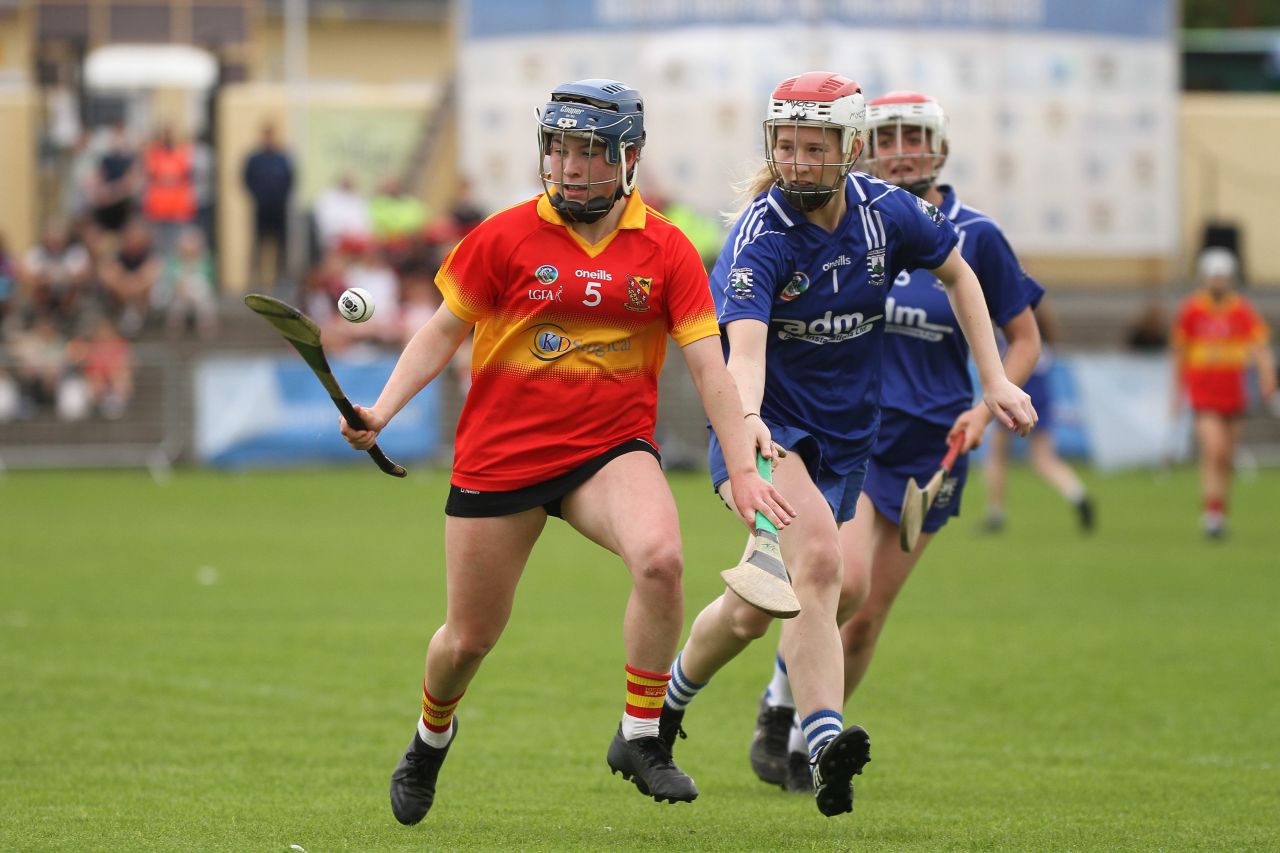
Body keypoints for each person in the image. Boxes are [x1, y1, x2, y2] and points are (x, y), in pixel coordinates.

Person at [337, 79, 794, 826]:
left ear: (628, 158)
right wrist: (381, 410)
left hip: (609, 449)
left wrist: (742, 469)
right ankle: (429, 738)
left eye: (590, 151)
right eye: (560, 147)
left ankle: (642, 734)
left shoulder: (667, 248)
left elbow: (711, 367)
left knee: (661, 558)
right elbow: (442, 332)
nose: (571, 166)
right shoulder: (504, 235)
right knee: (468, 639)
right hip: (501, 457)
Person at [656, 73, 1037, 818]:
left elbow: (959, 274)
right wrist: (751, 419)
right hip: (769, 432)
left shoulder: (886, 214)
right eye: (787, 147)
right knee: (827, 566)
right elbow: (746, 350)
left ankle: (660, 714)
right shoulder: (758, 235)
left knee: (759, 611)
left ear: (847, 148)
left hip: (846, 437)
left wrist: (990, 379)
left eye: (815, 147)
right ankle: (822, 740)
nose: (797, 162)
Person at [1170, 246, 1276, 539]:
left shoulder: (1242, 310)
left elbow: (1260, 348)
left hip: (1233, 394)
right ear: (1206, 278)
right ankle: (1211, 514)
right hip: (1204, 394)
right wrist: (1176, 396)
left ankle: (1220, 510)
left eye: (1223, 277)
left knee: (1226, 456)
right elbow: (1179, 356)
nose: (1219, 282)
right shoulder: (1191, 310)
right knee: (1213, 449)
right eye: (1214, 277)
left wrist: (1267, 377)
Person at [983, 299, 1094, 534]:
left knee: (997, 455)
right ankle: (1077, 493)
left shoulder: (1009, 317)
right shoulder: (1041, 326)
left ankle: (995, 514)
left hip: (1017, 384)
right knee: (1044, 458)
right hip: (1040, 391)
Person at [242, 123, 294, 290]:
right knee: (259, 245)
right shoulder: (255, 159)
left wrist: (281, 197)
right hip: (261, 209)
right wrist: (257, 196)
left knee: (280, 247)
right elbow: (246, 179)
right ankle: (256, 281)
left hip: (279, 209)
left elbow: (291, 179)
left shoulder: (282, 158)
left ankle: (280, 280)